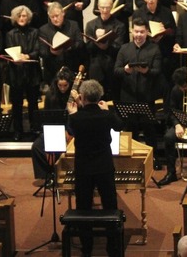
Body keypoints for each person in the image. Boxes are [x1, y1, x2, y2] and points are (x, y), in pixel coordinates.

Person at [66, 79, 123, 257]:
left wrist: (73, 113)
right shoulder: (106, 116)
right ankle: (112, 248)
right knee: (110, 204)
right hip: (104, 166)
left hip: (83, 168)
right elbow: (119, 126)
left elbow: (72, 132)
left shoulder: (75, 118)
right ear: (99, 97)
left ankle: (87, 248)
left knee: (83, 207)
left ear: (82, 98)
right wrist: (108, 110)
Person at [114, 17, 162, 149]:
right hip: (128, 97)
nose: (138, 35)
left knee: (149, 130)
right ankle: (131, 160)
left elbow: (157, 71)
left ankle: (153, 159)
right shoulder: (124, 49)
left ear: (147, 32)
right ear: (131, 31)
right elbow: (116, 70)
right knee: (130, 131)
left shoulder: (154, 49)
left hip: (147, 97)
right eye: (136, 31)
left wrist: (146, 71)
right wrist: (125, 70)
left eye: (142, 32)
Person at [5, 5, 42, 139]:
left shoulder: (35, 32)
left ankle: (35, 128)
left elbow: (37, 50)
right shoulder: (10, 34)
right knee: (17, 104)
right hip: (16, 73)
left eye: (24, 16)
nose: (22, 18)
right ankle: (17, 130)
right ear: (15, 18)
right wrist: (16, 58)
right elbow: (9, 50)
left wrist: (28, 56)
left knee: (33, 103)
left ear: (28, 18)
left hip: (32, 72)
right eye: (19, 16)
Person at [132, 0, 177, 92]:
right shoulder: (138, 13)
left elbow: (174, 31)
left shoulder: (166, 12)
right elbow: (134, 34)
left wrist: (164, 32)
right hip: (146, 52)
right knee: (146, 85)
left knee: (166, 83)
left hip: (164, 51)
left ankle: (167, 106)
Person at [31, 67, 73, 179]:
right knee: (36, 147)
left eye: (65, 85)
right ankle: (47, 175)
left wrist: (68, 131)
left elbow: (75, 117)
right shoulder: (50, 95)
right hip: (54, 128)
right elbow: (46, 117)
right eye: (60, 85)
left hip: (70, 130)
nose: (62, 88)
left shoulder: (74, 96)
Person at [85, 0, 126, 101]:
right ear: (98, 7)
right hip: (96, 65)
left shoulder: (119, 25)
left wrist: (106, 43)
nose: (104, 10)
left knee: (115, 96)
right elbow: (88, 48)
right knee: (96, 96)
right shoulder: (90, 25)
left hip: (112, 64)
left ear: (112, 6)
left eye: (107, 7)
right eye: (102, 7)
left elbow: (119, 47)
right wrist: (97, 41)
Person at [39, 2, 86, 86]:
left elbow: (80, 43)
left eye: (57, 16)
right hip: (53, 69)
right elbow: (42, 52)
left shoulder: (73, 25)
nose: (55, 19)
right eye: (52, 17)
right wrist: (51, 52)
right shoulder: (43, 30)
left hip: (72, 65)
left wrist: (71, 47)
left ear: (63, 13)